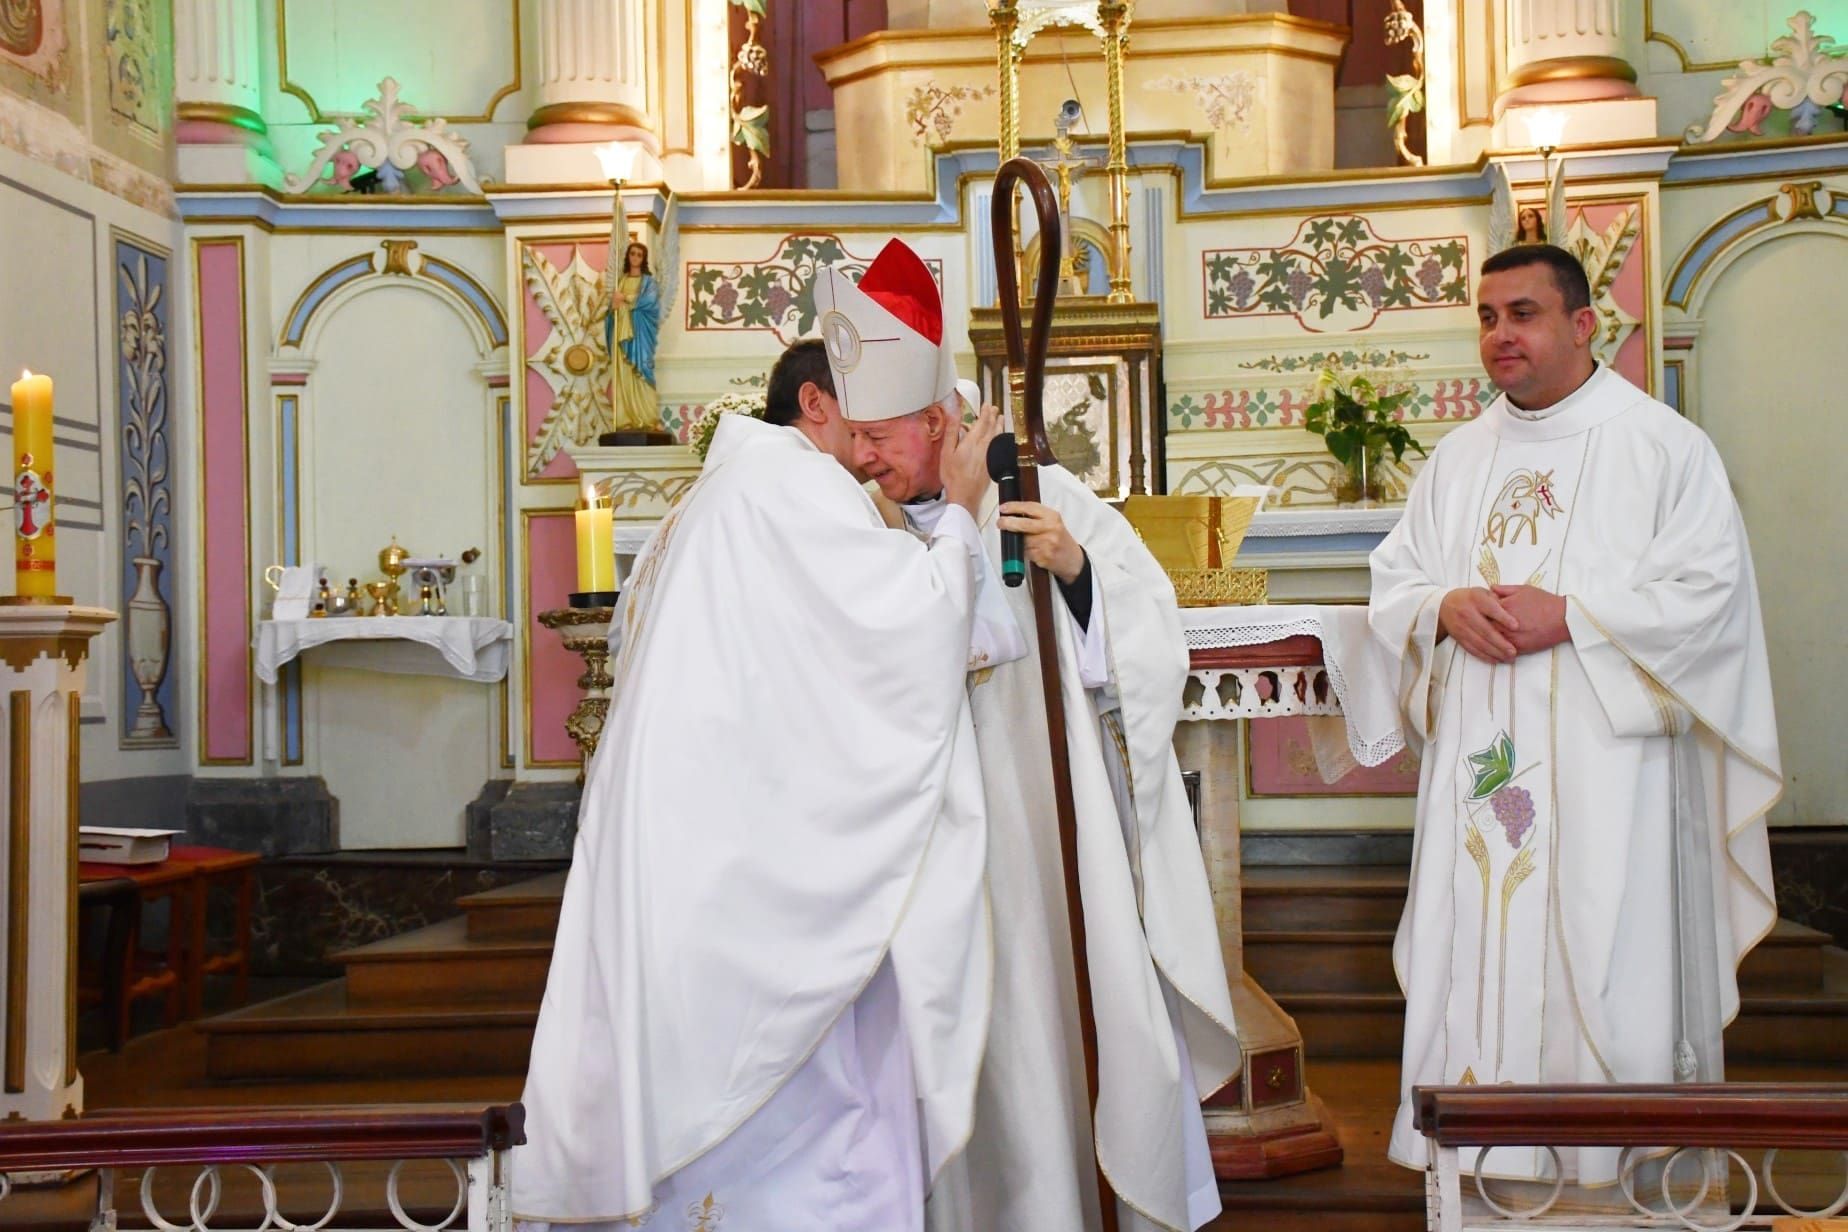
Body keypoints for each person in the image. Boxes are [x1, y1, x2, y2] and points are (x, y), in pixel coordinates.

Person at [513, 303, 1007, 1227]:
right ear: (814, 404)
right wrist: (963, 515)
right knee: (795, 1087)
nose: (870, 448)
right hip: (746, 861)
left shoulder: (711, 500)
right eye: (860, 419)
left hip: (687, 839)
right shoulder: (790, 487)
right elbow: (909, 625)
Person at [821, 238, 1242, 1232]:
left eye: (876, 437)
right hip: (923, 852)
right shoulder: (858, 525)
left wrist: (1079, 576)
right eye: (855, 437)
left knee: (1049, 1025)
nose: (860, 457)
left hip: (1043, 843)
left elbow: (1152, 644)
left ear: (937, 421)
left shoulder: (1049, 498)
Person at [1370, 243, 1781, 1185]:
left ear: (1584, 323)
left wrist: (1577, 617)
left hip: (1612, 777)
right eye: (1487, 317)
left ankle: (1615, 1166)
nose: (1499, 335)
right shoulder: (1458, 458)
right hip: (1481, 768)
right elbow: (1398, 579)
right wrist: (1441, 605)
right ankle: (1476, 1169)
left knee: (1606, 950)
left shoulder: (1663, 448)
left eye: (1523, 314)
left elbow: (1711, 598)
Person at [607, 239, 660, 433]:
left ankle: (648, 418)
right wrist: (613, 307)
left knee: (643, 370)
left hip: (640, 333)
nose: (635, 258)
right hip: (622, 334)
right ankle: (624, 419)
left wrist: (626, 298)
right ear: (628, 256)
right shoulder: (620, 281)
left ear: (643, 258)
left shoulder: (648, 282)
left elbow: (651, 302)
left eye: (639, 254)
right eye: (632, 254)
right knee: (623, 374)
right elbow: (611, 312)